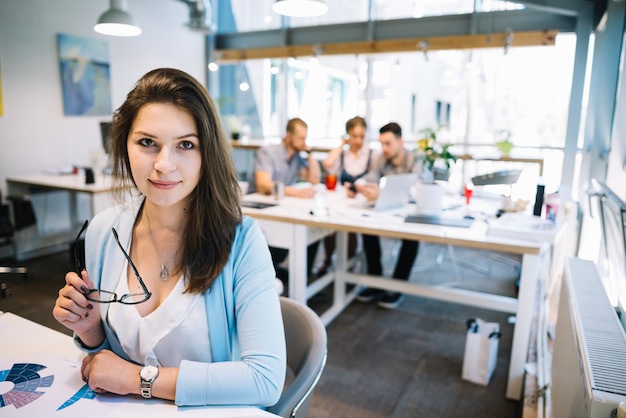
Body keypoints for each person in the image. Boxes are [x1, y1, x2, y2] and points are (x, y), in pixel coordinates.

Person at [52, 68, 286, 407]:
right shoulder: (105, 232)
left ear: (208, 154)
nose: (164, 165)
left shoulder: (243, 241)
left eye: (186, 145)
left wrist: (139, 380)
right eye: (148, 143)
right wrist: (90, 330)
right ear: (124, 145)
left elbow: (264, 380)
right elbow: (108, 362)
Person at [351, 122, 420, 309]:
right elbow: (371, 176)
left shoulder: (415, 158)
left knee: (411, 237)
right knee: (367, 231)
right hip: (388, 210)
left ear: (400, 141)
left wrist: (381, 193)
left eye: (388, 143)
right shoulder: (382, 158)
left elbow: (416, 189)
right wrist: (360, 185)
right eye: (381, 143)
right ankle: (376, 284)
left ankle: (396, 287)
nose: (384, 148)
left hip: (410, 213)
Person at [249, 118, 322, 280]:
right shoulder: (268, 152)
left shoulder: (297, 157)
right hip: (259, 210)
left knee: (312, 228)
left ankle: (304, 278)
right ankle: (277, 276)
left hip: (281, 207)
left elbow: (314, 179)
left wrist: (309, 154)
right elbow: (264, 185)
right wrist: (295, 192)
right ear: (288, 135)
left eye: (306, 138)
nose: (304, 142)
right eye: (301, 138)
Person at [318, 116, 378, 276]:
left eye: (362, 136)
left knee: (351, 231)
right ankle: (327, 260)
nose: (358, 140)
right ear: (347, 135)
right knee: (330, 228)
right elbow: (328, 164)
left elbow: (376, 177)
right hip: (344, 202)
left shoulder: (372, 155)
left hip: (363, 203)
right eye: (354, 136)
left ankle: (348, 267)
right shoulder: (344, 155)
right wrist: (342, 145)